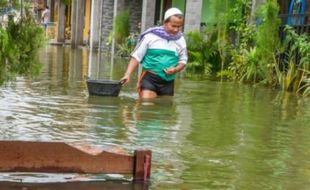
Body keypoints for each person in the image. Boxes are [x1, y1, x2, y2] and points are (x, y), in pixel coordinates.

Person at [121, 8, 188, 99]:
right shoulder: (150, 36)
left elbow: (183, 61)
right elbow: (136, 56)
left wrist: (175, 69)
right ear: (165, 23)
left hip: (168, 82)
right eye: (173, 26)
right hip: (150, 79)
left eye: (179, 26)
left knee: (165, 111)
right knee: (146, 107)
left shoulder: (181, 39)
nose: (176, 29)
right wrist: (127, 74)